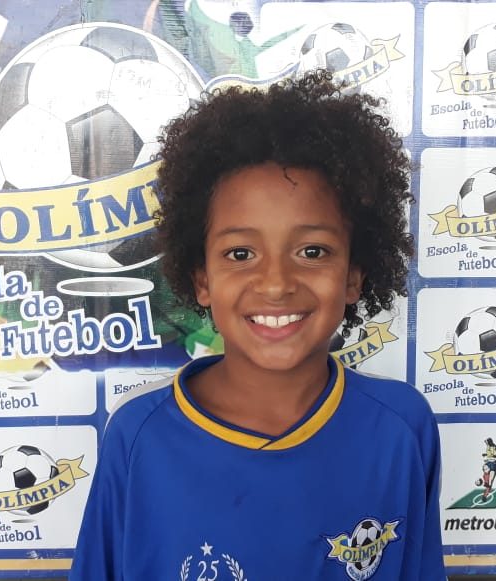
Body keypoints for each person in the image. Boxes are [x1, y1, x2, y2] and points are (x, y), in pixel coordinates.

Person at [70, 70, 445, 580]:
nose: (275, 284)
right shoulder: (139, 437)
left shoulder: (402, 428)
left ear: (354, 277)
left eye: (313, 251)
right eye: (240, 253)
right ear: (202, 279)